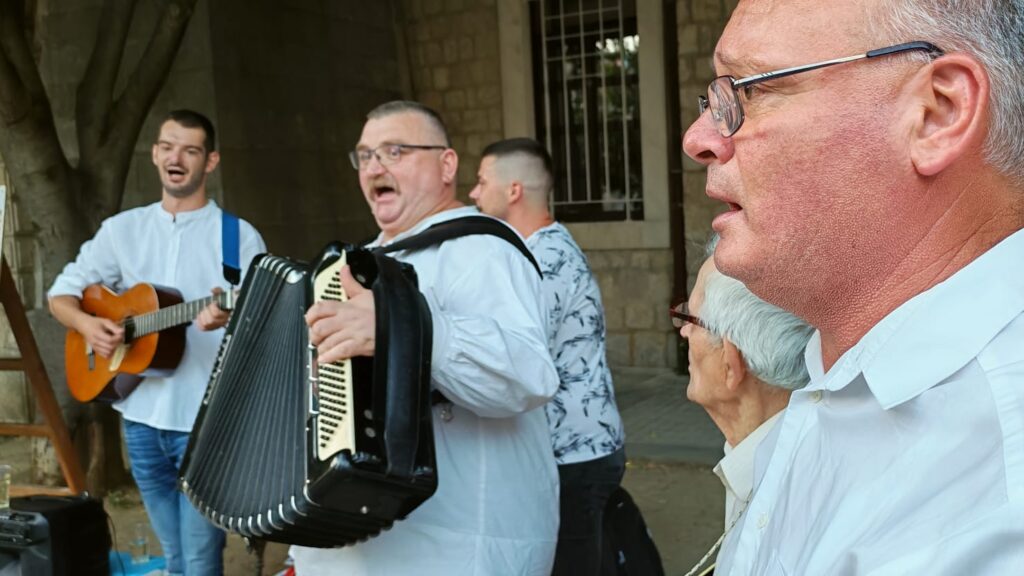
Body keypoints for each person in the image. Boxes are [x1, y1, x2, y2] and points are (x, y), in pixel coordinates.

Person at [682, 0, 1024, 573]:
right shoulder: (843, 374)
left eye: (751, 90)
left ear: (937, 114)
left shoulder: (999, 498)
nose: (700, 138)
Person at [294, 102, 560, 575]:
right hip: (355, 540)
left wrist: (399, 327)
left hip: (455, 548)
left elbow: (527, 376)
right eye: (365, 155)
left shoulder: (482, 247)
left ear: (447, 165)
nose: (374, 167)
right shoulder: (354, 267)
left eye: (394, 151)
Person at [48, 110, 266, 575]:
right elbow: (60, 295)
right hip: (140, 419)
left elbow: (266, 321)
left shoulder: (237, 237)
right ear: (154, 154)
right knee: (175, 559)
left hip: (205, 423)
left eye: (190, 150)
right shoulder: (121, 230)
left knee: (201, 560)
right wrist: (88, 326)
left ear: (210, 162)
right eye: (167, 147)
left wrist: (231, 316)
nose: (176, 158)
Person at [468, 137, 625, 576]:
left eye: (481, 181)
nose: (474, 194)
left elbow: (516, 360)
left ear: (513, 190)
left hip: (573, 456)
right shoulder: (543, 249)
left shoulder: (542, 258)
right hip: (579, 449)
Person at [673, 242, 812, 571]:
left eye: (690, 318)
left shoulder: (791, 492)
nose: (684, 332)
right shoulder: (761, 452)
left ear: (730, 362)